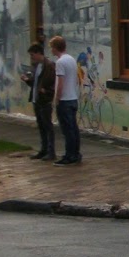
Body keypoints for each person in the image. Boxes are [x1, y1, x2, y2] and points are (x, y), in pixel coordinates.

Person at [49, 35, 82, 166]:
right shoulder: (71, 59)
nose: (51, 50)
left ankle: (69, 156)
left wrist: (56, 99)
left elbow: (60, 83)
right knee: (73, 128)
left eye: (51, 47)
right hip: (73, 98)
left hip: (65, 100)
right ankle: (76, 153)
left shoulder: (60, 62)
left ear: (55, 48)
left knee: (67, 130)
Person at [21, 43, 56, 160]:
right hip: (37, 99)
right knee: (41, 126)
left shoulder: (49, 65)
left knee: (47, 126)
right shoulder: (36, 66)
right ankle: (44, 149)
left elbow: (53, 83)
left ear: (39, 53)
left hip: (45, 100)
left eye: (32, 55)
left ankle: (51, 151)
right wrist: (27, 80)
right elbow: (35, 83)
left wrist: (46, 91)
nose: (31, 58)